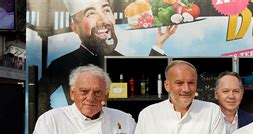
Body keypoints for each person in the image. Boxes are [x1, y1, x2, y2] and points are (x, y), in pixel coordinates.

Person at [38, 0, 177, 115]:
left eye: (106, 10)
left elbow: (147, 82)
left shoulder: (119, 60)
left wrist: (159, 44)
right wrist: (59, 124)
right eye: (91, 13)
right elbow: (39, 97)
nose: (103, 20)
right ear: (75, 27)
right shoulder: (62, 63)